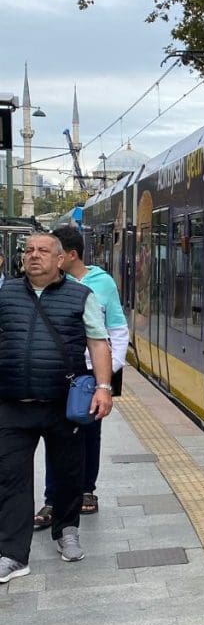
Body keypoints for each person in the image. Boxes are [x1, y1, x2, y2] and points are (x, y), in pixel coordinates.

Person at [0, 232, 113, 582]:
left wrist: (104, 388)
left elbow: (98, 342)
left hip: (64, 403)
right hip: (12, 403)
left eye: (43, 251)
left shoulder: (82, 297)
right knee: (10, 479)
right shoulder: (4, 294)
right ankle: (13, 554)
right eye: (29, 251)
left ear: (61, 259)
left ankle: (66, 530)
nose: (34, 256)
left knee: (68, 474)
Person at [35, 225, 129, 528]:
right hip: (55, 372)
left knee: (89, 433)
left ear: (69, 255)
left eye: (53, 251)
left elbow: (117, 328)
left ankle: (87, 491)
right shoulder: (44, 284)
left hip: (89, 374)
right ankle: (53, 499)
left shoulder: (103, 284)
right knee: (56, 435)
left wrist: (106, 373)